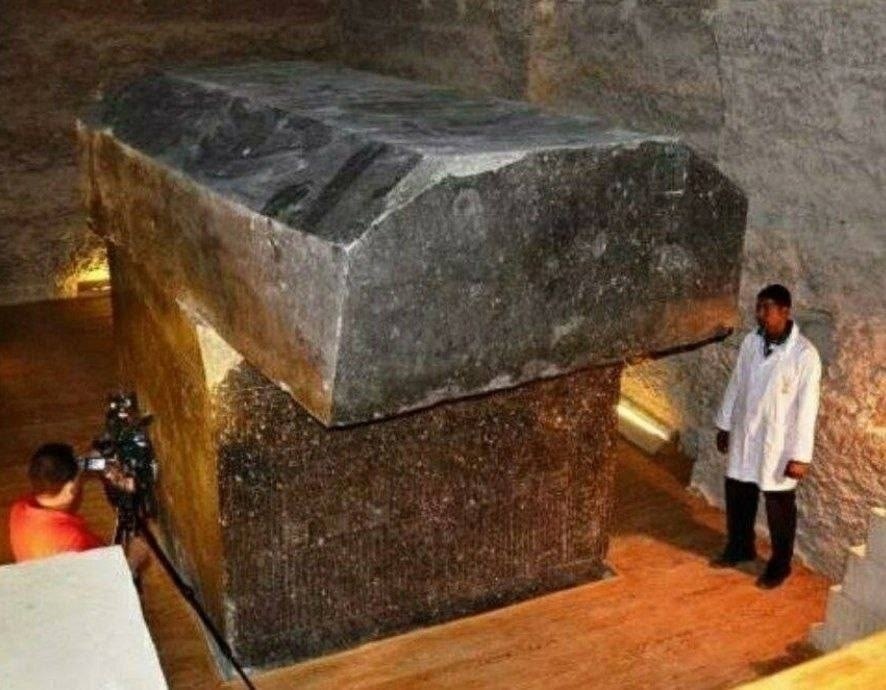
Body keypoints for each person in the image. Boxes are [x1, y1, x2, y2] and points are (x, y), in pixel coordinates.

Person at [711, 284, 822, 589]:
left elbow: (807, 409)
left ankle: (780, 564)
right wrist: (725, 423)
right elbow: (737, 382)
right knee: (739, 491)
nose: (760, 314)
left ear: (785, 311)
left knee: (778, 504)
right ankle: (739, 547)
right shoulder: (751, 342)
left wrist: (801, 456)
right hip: (746, 432)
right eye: (758, 308)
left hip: (778, 443)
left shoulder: (804, 355)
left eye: (766, 309)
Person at [9, 442, 148, 572]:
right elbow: (106, 580)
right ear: (70, 489)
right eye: (78, 478)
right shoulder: (74, 541)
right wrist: (133, 560)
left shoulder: (19, 509)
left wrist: (92, 462)